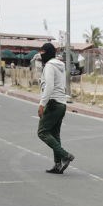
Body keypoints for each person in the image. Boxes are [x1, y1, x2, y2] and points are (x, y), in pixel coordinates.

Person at [36, 42, 74, 174]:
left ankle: (64, 155)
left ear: (48, 53)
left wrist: (42, 104)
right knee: (55, 134)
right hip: (62, 104)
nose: (41, 56)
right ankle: (58, 165)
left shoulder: (50, 66)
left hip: (53, 103)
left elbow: (49, 86)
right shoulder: (60, 66)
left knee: (42, 132)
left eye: (42, 53)